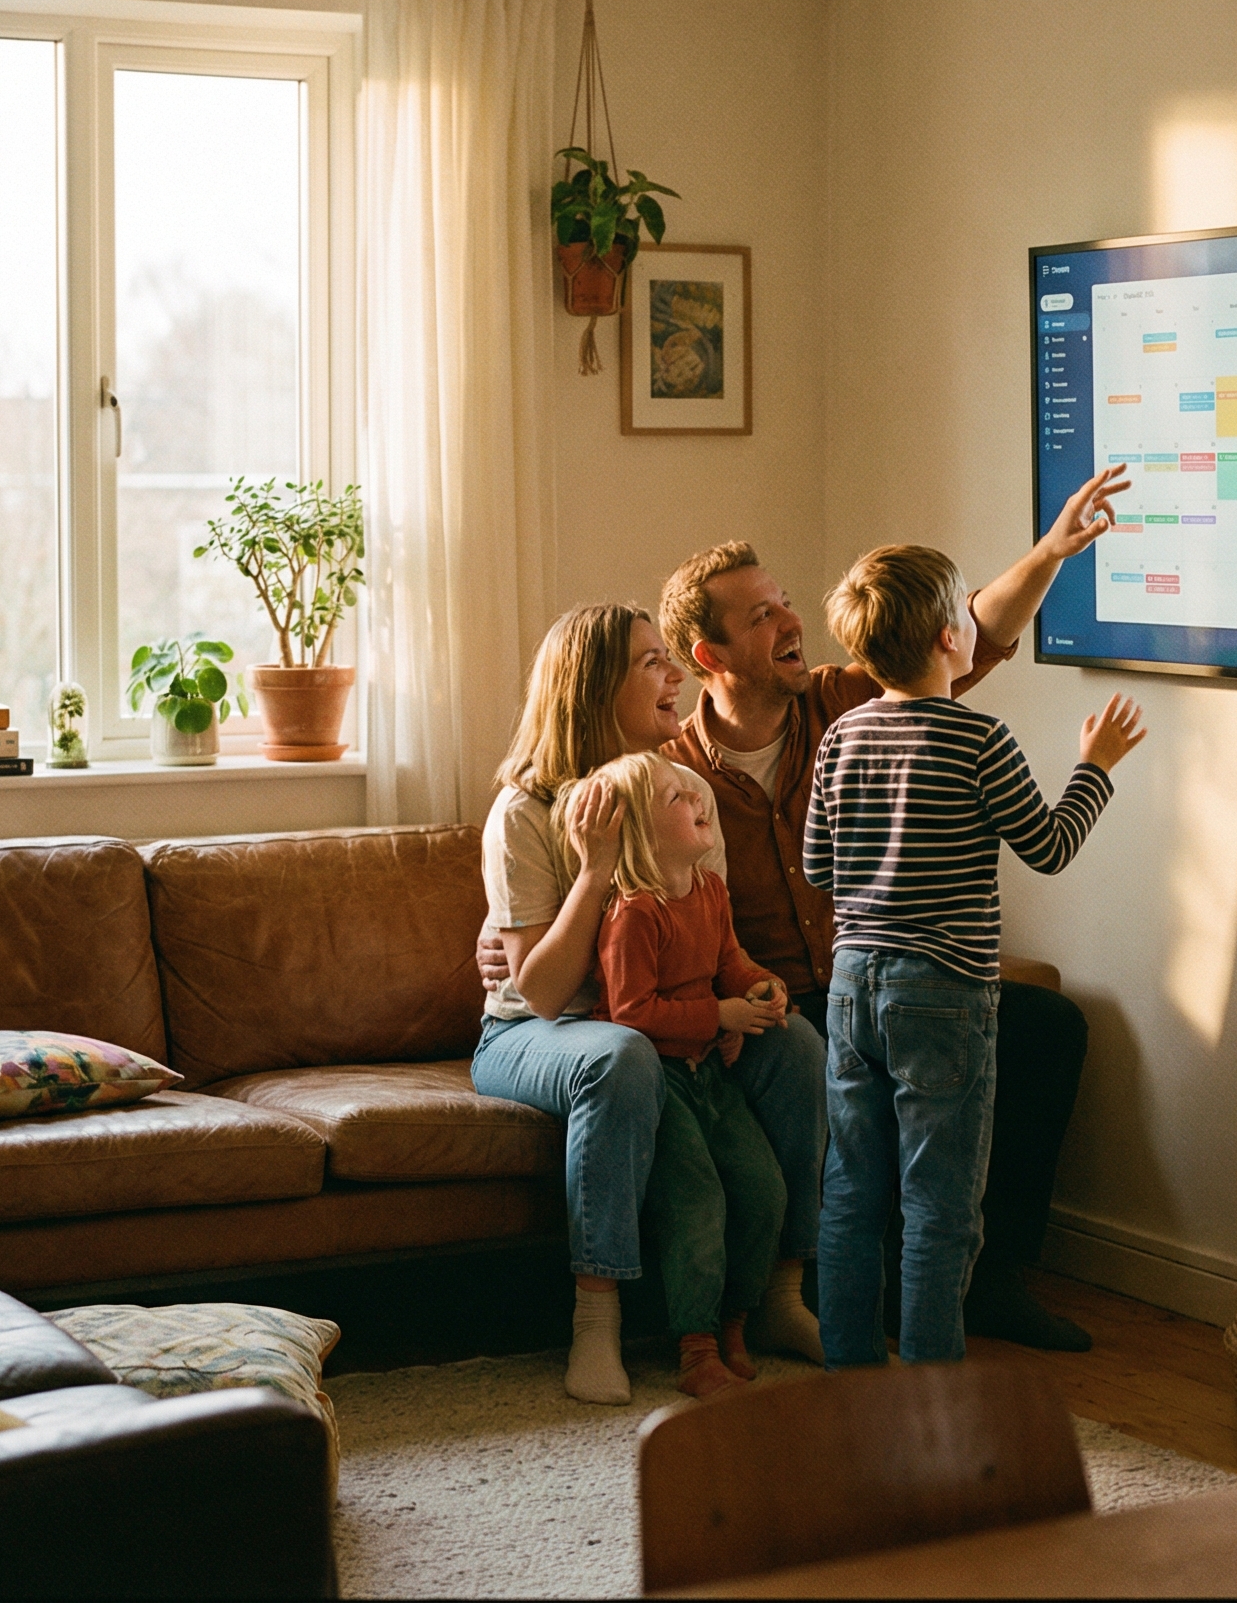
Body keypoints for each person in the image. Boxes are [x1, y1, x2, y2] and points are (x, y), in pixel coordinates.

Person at [655, 466, 1129, 1351]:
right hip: (778, 1003)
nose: (789, 622)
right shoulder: (670, 773)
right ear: (708, 658)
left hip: (854, 982)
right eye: (761, 617)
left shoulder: (838, 711)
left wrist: (1054, 549)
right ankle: (926, 1361)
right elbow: (1048, 840)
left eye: (787, 603)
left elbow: (977, 630)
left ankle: (976, 1291)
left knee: (1045, 1027)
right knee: (933, 1182)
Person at [472, 603, 827, 1407]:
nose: (676, 676)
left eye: (672, 658)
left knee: (799, 1045)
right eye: (650, 663)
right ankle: (596, 1323)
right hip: (538, 1032)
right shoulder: (525, 813)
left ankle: (777, 1297)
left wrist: (747, 995)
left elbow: (713, 940)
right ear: (595, 687)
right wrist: (595, 871)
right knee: (619, 1052)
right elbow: (542, 991)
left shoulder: (686, 794)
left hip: (663, 1023)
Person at [805, 544, 1146, 1367]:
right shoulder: (978, 738)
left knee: (852, 1189)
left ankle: (850, 1370)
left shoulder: (843, 733)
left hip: (853, 986)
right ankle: (931, 1385)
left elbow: (820, 866)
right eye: (966, 607)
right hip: (944, 992)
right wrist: (1094, 766)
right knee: (941, 1203)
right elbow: (1051, 844)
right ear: (948, 637)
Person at [568, 751, 791, 1398]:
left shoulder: (710, 892)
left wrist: (761, 988)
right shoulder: (633, 913)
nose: (697, 802)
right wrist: (717, 1015)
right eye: (675, 797)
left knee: (763, 1187)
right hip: (658, 1084)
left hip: (710, 1078)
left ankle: (735, 1322)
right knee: (698, 1200)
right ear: (639, 828)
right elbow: (630, 1013)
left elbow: (730, 964)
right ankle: (694, 1347)